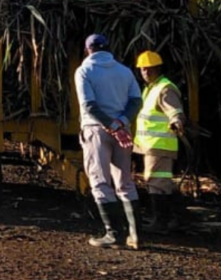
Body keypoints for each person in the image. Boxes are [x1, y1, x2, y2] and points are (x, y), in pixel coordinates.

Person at [73, 33, 144, 249]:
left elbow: (89, 106)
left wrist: (112, 126)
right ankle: (135, 235)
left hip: (97, 130)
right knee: (125, 182)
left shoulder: (84, 71)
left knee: (100, 181)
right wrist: (121, 123)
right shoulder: (124, 71)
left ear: (88, 50)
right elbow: (136, 100)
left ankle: (113, 234)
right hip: (123, 131)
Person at [134, 50, 187, 232]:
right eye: (143, 69)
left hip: (160, 145)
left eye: (150, 69)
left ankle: (161, 222)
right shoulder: (151, 88)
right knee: (161, 182)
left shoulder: (165, 88)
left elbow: (175, 111)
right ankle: (175, 218)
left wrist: (177, 121)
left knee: (157, 182)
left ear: (158, 68)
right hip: (152, 145)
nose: (146, 72)